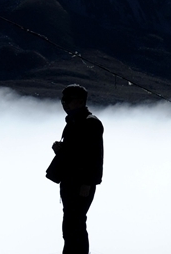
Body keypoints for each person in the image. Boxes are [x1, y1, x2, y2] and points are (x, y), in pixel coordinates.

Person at [47, 84, 104, 254]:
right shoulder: (75, 121)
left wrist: (87, 183)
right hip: (71, 181)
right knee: (72, 224)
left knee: (74, 224)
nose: (64, 104)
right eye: (63, 100)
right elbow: (77, 151)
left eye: (67, 100)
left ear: (79, 101)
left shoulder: (89, 123)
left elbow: (93, 156)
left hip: (80, 184)